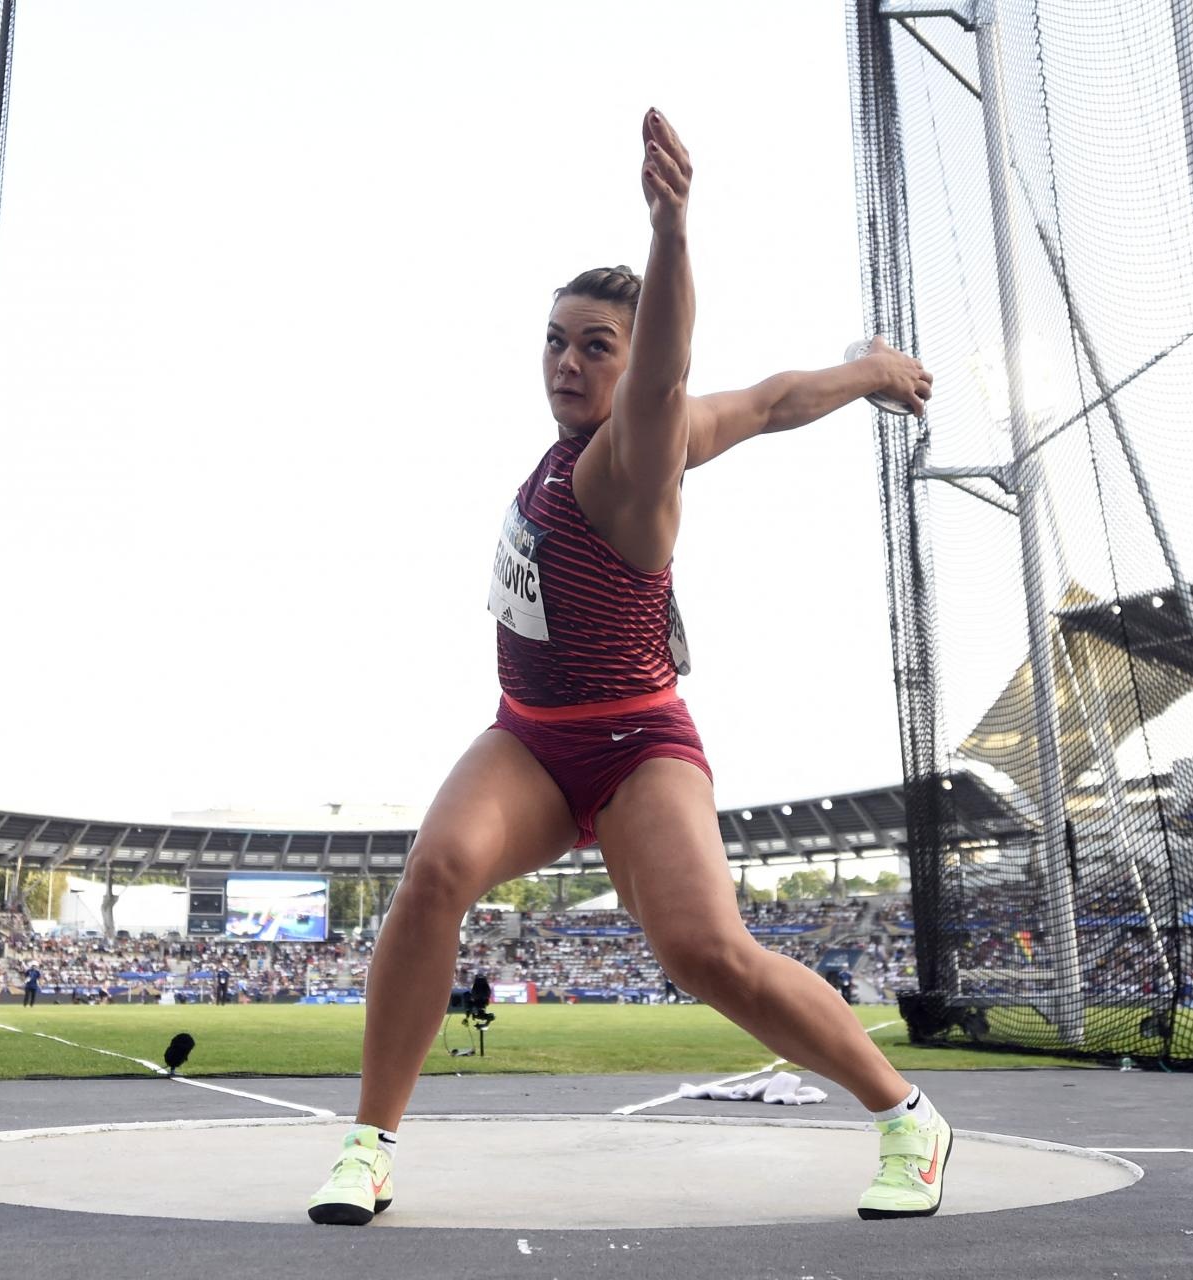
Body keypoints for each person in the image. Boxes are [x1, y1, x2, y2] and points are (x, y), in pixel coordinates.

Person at [307, 109, 944, 1228]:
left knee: (704, 950)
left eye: (594, 345)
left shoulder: (637, 452)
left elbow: (670, 373)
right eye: (553, 339)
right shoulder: (616, 441)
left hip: (639, 741)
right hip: (531, 737)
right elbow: (773, 399)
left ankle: (905, 1116)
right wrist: (867, 370)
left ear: (634, 357)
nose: (566, 360)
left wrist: (672, 232)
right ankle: (368, 1143)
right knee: (438, 865)